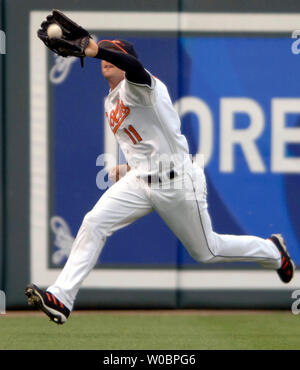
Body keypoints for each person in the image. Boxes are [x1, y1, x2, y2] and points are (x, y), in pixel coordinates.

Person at [25, 14, 295, 325]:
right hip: (141, 181)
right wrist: (129, 167)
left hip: (177, 182)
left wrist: (97, 50)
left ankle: (273, 251)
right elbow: (147, 143)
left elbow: (135, 68)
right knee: (94, 221)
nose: (106, 58)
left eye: (114, 53)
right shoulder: (110, 100)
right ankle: (62, 297)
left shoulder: (142, 86)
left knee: (207, 251)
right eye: (105, 54)